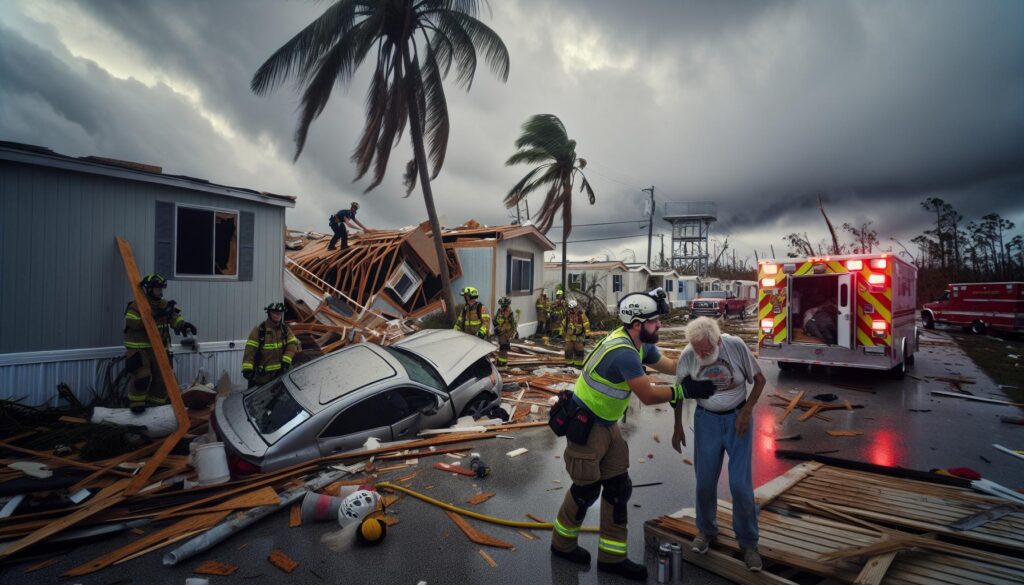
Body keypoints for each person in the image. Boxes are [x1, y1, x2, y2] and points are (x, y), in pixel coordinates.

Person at [550, 291, 682, 582]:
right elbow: (647, 395)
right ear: (637, 323)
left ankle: (612, 558)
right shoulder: (623, 351)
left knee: (617, 489)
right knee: (585, 490)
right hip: (587, 427)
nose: (659, 325)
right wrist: (682, 392)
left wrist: (699, 362)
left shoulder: (639, 344)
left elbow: (670, 365)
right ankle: (562, 545)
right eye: (654, 321)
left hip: (607, 424)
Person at [671, 316, 766, 572]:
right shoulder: (689, 354)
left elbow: (760, 381)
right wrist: (677, 426)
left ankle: (748, 543)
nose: (701, 353)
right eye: (697, 349)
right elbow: (677, 393)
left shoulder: (734, 345)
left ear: (717, 341)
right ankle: (706, 530)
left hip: (738, 420)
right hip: (707, 421)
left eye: (706, 349)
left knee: (740, 486)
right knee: (704, 482)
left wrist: (746, 412)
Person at [123, 273, 197, 412]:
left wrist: (183, 325)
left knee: (162, 378)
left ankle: (156, 407)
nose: (161, 292)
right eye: (158, 289)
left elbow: (174, 318)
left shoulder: (163, 304)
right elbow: (132, 322)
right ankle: (136, 404)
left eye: (161, 289)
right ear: (149, 289)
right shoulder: (137, 305)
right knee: (142, 376)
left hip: (160, 348)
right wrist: (156, 316)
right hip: (140, 348)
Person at [242, 303, 301, 388]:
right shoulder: (259, 330)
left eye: (279, 313)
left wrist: (286, 360)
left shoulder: (285, 330)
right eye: (275, 313)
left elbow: (293, 343)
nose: (278, 315)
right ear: (269, 313)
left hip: (280, 375)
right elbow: (250, 350)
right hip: (262, 377)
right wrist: (247, 369)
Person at [563, 299, 590, 367]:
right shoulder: (567, 315)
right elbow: (563, 324)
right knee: (568, 350)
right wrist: (561, 332)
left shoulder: (581, 315)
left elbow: (586, 324)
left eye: (573, 308)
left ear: (576, 307)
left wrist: (587, 334)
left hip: (579, 336)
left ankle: (578, 364)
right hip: (569, 336)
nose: (572, 310)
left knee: (579, 350)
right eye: (571, 309)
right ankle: (569, 364)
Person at [492, 297, 518, 367]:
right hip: (500, 331)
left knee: (503, 347)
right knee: (501, 346)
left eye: (504, 306)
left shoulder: (509, 312)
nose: (502, 307)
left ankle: (502, 363)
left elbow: (512, 323)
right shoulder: (500, 310)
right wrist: (496, 327)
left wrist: (514, 332)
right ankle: (501, 361)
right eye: (501, 305)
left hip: (506, 332)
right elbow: (496, 320)